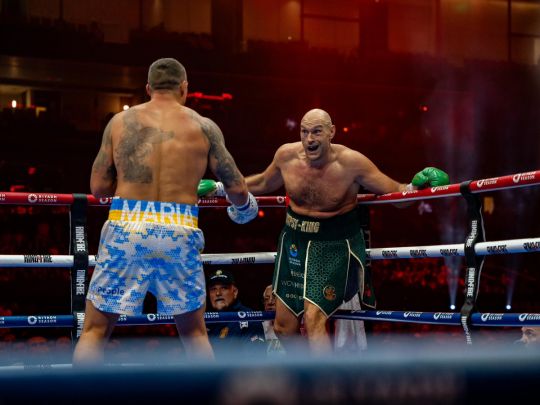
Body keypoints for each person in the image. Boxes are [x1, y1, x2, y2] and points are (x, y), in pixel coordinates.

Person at [199, 108, 449, 355]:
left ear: (332, 132)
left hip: (333, 245)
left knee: (314, 318)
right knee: (283, 327)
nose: (309, 139)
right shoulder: (286, 156)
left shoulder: (352, 163)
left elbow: (395, 193)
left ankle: (324, 381)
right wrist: (222, 187)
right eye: (304, 131)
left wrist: (416, 187)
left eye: (317, 132)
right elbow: (264, 181)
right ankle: (304, 373)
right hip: (294, 241)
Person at [73, 58, 258, 366]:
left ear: (148, 88)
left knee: (94, 331)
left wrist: (132, 183)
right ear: (184, 88)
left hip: (126, 225)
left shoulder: (120, 123)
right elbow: (237, 188)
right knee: (195, 334)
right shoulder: (204, 127)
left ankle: (77, 393)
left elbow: (99, 188)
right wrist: (245, 209)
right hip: (178, 227)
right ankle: (208, 391)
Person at [206, 269, 265, 357]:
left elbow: (256, 359)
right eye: (213, 289)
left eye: (224, 288)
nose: (218, 293)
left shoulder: (249, 318)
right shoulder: (205, 321)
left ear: (235, 292)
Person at [262, 284, 286, 356]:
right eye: (266, 299)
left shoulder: (296, 328)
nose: (270, 302)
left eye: (274, 298)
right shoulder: (259, 327)